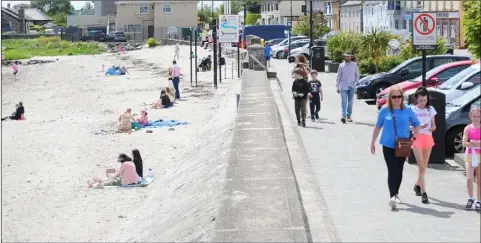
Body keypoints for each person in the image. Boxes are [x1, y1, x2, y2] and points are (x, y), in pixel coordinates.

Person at [370, 86, 420, 209]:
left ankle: (396, 193)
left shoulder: (407, 109)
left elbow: (416, 124)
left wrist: (414, 137)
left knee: (399, 169)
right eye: (394, 97)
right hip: (388, 144)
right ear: (390, 98)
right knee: (392, 169)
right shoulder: (384, 110)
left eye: (399, 97)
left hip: (402, 144)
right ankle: (392, 196)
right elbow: (378, 127)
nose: (397, 99)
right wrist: (372, 142)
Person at [411, 87, 437, 204]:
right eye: (421, 100)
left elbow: (434, 126)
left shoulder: (430, 109)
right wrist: (416, 127)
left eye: (425, 100)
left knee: (424, 167)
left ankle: (417, 184)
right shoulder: (412, 110)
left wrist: (432, 128)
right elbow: (408, 126)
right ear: (416, 99)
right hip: (417, 139)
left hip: (428, 138)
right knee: (421, 166)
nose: (423, 102)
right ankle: (424, 192)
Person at [462, 105, 481, 210]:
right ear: (470, 116)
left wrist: (473, 142)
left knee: (479, 180)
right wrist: (476, 144)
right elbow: (464, 143)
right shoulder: (467, 128)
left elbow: (470, 142)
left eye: (478, 116)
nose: (476, 119)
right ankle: (470, 197)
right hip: (470, 154)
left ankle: (479, 200)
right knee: (469, 177)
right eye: (474, 116)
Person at [336, 52, 359, 124]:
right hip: (343, 85)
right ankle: (343, 116)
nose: (348, 58)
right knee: (344, 101)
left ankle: (349, 116)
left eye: (349, 57)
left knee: (350, 102)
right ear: (344, 57)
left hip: (352, 85)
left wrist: (355, 83)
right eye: (346, 57)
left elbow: (357, 75)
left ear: (351, 57)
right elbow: (338, 76)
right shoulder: (341, 65)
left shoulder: (354, 65)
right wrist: (337, 87)